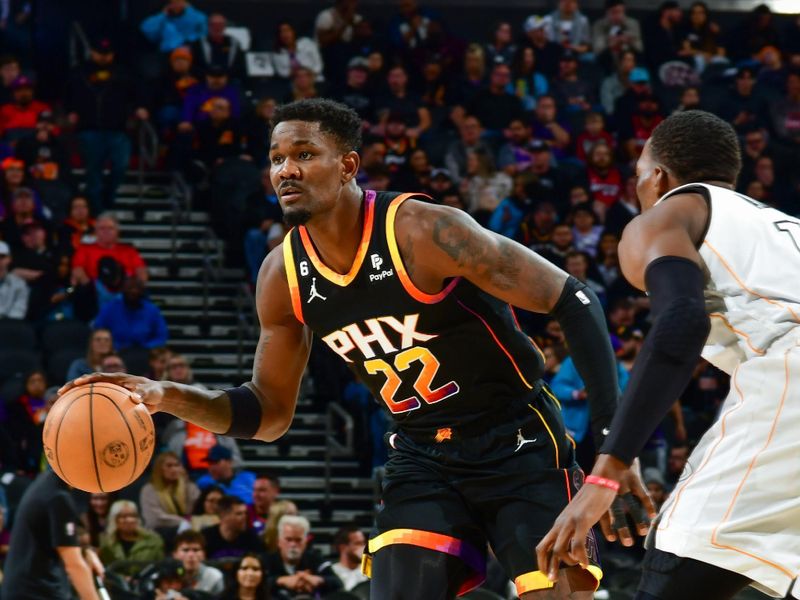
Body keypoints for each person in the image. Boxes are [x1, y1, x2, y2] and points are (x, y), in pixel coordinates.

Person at [62, 98, 647, 599]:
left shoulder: (423, 231)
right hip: (421, 456)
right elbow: (266, 414)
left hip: (517, 441)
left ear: (348, 166)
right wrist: (167, 395)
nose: (285, 170)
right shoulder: (281, 276)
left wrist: (610, 456)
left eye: (303, 155)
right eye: (276, 159)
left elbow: (577, 299)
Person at [536, 110, 800, 599]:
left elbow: (682, 321)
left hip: (792, 370)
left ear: (657, 177)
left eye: (638, 174)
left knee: (685, 543)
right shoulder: (779, 225)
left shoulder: (668, 214)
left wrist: (608, 470)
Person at [65, 38, 148, 213]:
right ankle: (97, 210)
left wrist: (141, 107)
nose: (103, 57)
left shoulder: (123, 73)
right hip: (89, 128)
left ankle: (108, 195)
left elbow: (137, 93)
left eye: (107, 54)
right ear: (92, 52)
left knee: (121, 165)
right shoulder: (79, 72)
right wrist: (70, 111)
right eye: (99, 53)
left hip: (118, 129)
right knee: (93, 169)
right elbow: (68, 95)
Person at [1, 470, 103, 600]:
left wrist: (86, 552)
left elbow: (55, 538)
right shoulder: (58, 498)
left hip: (26, 587)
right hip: (34, 591)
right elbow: (74, 564)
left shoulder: (45, 483)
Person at [267, 514, 342, 598]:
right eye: (288, 539)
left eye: (298, 540)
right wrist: (281, 580)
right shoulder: (267, 560)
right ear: (279, 541)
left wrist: (317, 580)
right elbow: (258, 583)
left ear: (306, 542)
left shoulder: (315, 558)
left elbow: (338, 583)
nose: (293, 544)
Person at [71, 214, 148, 286]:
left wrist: (134, 288)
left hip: (125, 292)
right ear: (96, 231)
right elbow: (77, 270)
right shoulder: (84, 249)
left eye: (110, 228)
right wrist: (91, 289)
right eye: (102, 228)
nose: (106, 231)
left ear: (117, 232)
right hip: (94, 291)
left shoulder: (129, 251)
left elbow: (141, 271)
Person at [93, 277, 168, 350]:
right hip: (115, 352)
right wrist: (113, 346)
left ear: (142, 292)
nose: (133, 291)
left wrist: (146, 348)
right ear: (122, 290)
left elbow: (161, 337)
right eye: (130, 288)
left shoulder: (152, 310)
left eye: (136, 289)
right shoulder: (109, 308)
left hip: (145, 353)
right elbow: (98, 331)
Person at [140, 451, 201, 533]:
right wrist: (182, 522)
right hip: (160, 532)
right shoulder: (149, 490)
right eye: (169, 466)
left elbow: (198, 506)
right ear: (159, 469)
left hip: (188, 530)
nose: (174, 469)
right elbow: (154, 518)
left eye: (177, 465)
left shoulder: (189, 486)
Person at [98, 500, 165, 572]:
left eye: (133, 516)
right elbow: (104, 569)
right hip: (115, 582)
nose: (130, 520)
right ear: (115, 520)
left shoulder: (154, 540)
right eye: (123, 516)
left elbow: (160, 568)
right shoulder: (106, 542)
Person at [200, 495, 265, 560]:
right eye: (239, 514)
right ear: (224, 516)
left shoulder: (252, 538)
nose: (245, 517)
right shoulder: (205, 537)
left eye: (245, 513)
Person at [189, 12, 245, 81]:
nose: (217, 28)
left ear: (224, 26)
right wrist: (209, 77)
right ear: (208, 26)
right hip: (204, 82)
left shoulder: (234, 43)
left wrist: (224, 78)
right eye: (213, 25)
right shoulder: (198, 44)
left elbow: (240, 65)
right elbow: (194, 66)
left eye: (220, 25)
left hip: (229, 82)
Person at [140, 0, 208, 53]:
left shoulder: (195, 16)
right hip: (168, 53)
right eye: (173, 3)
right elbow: (147, 29)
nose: (176, 5)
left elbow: (204, 32)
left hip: (190, 51)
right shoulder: (164, 19)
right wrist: (163, 14)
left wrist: (189, 10)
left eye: (179, 2)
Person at [172, 529, 225, 595]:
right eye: (185, 550)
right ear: (175, 554)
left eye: (196, 550)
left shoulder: (214, 577)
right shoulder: (168, 577)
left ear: (203, 554)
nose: (191, 555)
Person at [331, 525, 369, 591]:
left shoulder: (370, 571)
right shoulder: (331, 572)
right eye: (358, 543)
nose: (363, 548)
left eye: (363, 543)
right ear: (343, 547)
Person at [0, 240, 29, 319]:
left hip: (9, 327)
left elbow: (19, 312)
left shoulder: (19, 284)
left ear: (9, 259)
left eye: (2, 257)